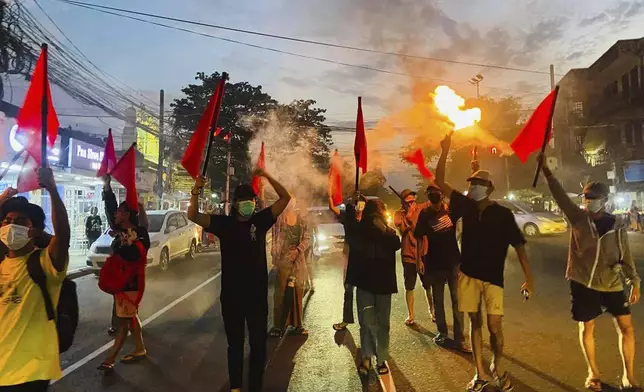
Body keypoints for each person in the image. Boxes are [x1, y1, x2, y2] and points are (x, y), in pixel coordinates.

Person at [435, 134, 534, 392]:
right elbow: (438, 182)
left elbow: (519, 245)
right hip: (467, 274)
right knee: (475, 322)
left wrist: (529, 277)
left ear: (489, 188)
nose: (473, 186)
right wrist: (444, 151)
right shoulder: (465, 205)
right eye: (472, 182)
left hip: (493, 278)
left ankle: (496, 366)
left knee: (494, 327)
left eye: (479, 183)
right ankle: (479, 372)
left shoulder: (502, 213)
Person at [538, 154, 641, 392]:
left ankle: (629, 377)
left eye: (593, 198)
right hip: (584, 282)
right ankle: (593, 373)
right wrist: (546, 171)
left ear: (604, 200)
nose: (588, 201)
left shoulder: (617, 224)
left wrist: (635, 282)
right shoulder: (578, 218)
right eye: (586, 197)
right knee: (587, 328)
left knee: (627, 328)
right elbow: (560, 196)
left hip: (613, 283)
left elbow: (625, 255)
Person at [187, 169, 290, 392]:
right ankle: (235, 387)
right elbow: (193, 215)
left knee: (258, 346)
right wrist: (196, 190)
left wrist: (267, 176)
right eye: (244, 201)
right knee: (235, 345)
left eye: (252, 200)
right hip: (232, 297)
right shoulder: (223, 224)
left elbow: (285, 198)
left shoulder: (261, 221)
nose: (249, 204)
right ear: (235, 203)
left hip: (257, 297)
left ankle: (255, 386)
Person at [0, 168, 70, 391]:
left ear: (34, 230)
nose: (11, 225)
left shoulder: (44, 263)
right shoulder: (1, 264)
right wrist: (2, 200)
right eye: (6, 221)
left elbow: (63, 235)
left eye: (20, 221)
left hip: (30, 370)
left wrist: (51, 188)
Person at [98, 175, 150, 372]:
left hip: (131, 284)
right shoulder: (120, 229)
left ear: (127, 215)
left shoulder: (139, 234)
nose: (115, 216)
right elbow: (110, 208)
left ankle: (110, 358)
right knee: (130, 317)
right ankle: (140, 348)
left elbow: (136, 256)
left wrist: (124, 246)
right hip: (122, 283)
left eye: (119, 213)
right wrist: (107, 186)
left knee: (123, 322)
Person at [345, 199, 401, 376]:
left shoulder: (388, 233)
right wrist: (350, 206)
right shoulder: (359, 231)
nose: (374, 219)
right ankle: (367, 356)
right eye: (373, 215)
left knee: (383, 323)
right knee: (366, 321)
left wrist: (383, 229)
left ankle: (382, 358)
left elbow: (396, 244)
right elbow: (350, 228)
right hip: (365, 283)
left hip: (384, 285)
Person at [414, 183, 470, 353]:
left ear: (442, 194)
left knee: (457, 301)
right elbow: (419, 238)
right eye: (431, 193)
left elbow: (466, 201)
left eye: (437, 193)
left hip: (453, 262)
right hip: (434, 263)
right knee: (438, 301)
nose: (434, 196)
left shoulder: (450, 211)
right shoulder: (424, 214)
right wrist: (419, 261)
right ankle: (442, 333)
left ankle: (460, 339)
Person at [269, 198, 311, 338]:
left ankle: (298, 325)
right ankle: (278, 326)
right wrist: (275, 257)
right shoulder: (279, 220)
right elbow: (275, 239)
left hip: (298, 259)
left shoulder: (302, 220)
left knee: (298, 291)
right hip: (283, 260)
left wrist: (298, 250)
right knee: (280, 293)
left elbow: (307, 238)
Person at [393, 189, 433, 326]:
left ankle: (432, 310)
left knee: (427, 284)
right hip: (408, 255)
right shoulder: (399, 214)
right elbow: (402, 229)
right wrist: (409, 215)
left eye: (413, 201)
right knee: (409, 286)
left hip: (423, 253)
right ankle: (411, 314)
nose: (412, 204)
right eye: (408, 202)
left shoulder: (422, 209)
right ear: (403, 203)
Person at [330, 193, 366, 331]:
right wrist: (330, 194)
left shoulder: (368, 219)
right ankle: (346, 320)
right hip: (350, 258)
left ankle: (365, 322)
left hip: (363, 259)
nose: (360, 206)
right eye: (358, 203)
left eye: (362, 203)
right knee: (348, 291)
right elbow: (332, 208)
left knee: (364, 294)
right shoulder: (348, 218)